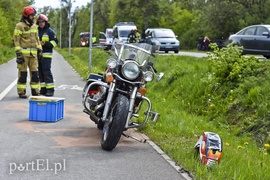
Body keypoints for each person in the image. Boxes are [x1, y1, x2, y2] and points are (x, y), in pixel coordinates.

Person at [13, 6, 42, 98]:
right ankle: (21, 92)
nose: (33, 17)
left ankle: (35, 91)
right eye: (31, 15)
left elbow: (37, 39)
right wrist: (18, 53)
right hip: (23, 55)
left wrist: (40, 49)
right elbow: (16, 40)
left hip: (33, 55)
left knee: (35, 74)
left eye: (33, 15)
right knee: (23, 74)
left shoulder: (34, 26)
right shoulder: (19, 26)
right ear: (26, 16)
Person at [36, 14, 58, 96]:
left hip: (47, 55)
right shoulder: (36, 31)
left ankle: (50, 90)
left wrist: (45, 44)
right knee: (40, 72)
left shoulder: (50, 31)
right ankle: (43, 89)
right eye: (39, 22)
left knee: (46, 71)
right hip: (38, 55)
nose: (41, 23)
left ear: (45, 22)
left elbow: (54, 42)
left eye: (42, 22)